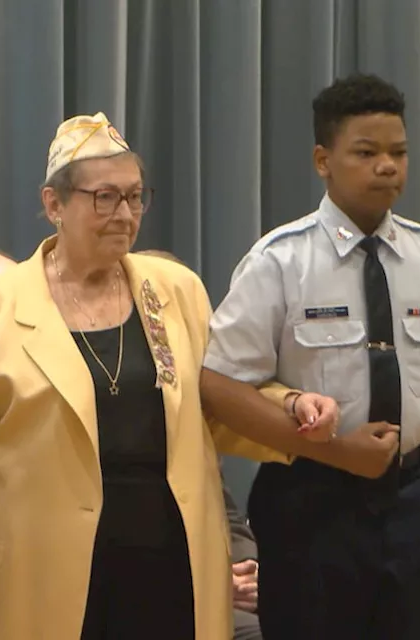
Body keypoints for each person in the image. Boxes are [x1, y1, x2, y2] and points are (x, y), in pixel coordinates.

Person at [0, 112, 347, 640]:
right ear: (54, 204)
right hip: (37, 576)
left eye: (134, 196)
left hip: (164, 567)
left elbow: (217, 398)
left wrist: (290, 404)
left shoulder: (175, 290)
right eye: (104, 197)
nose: (124, 213)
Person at [202, 73, 420, 640]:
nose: (387, 167)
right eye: (366, 152)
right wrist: (334, 450)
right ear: (324, 160)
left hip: (413, 500)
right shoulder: (280, 262)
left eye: (398, 152)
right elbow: (219, 386)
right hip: (310, 503)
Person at [137, 249, 262, 640]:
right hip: (139, 587)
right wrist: (202, 579)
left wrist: (245, 567)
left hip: (217, 590)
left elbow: (228, 514)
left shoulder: (194, 398)